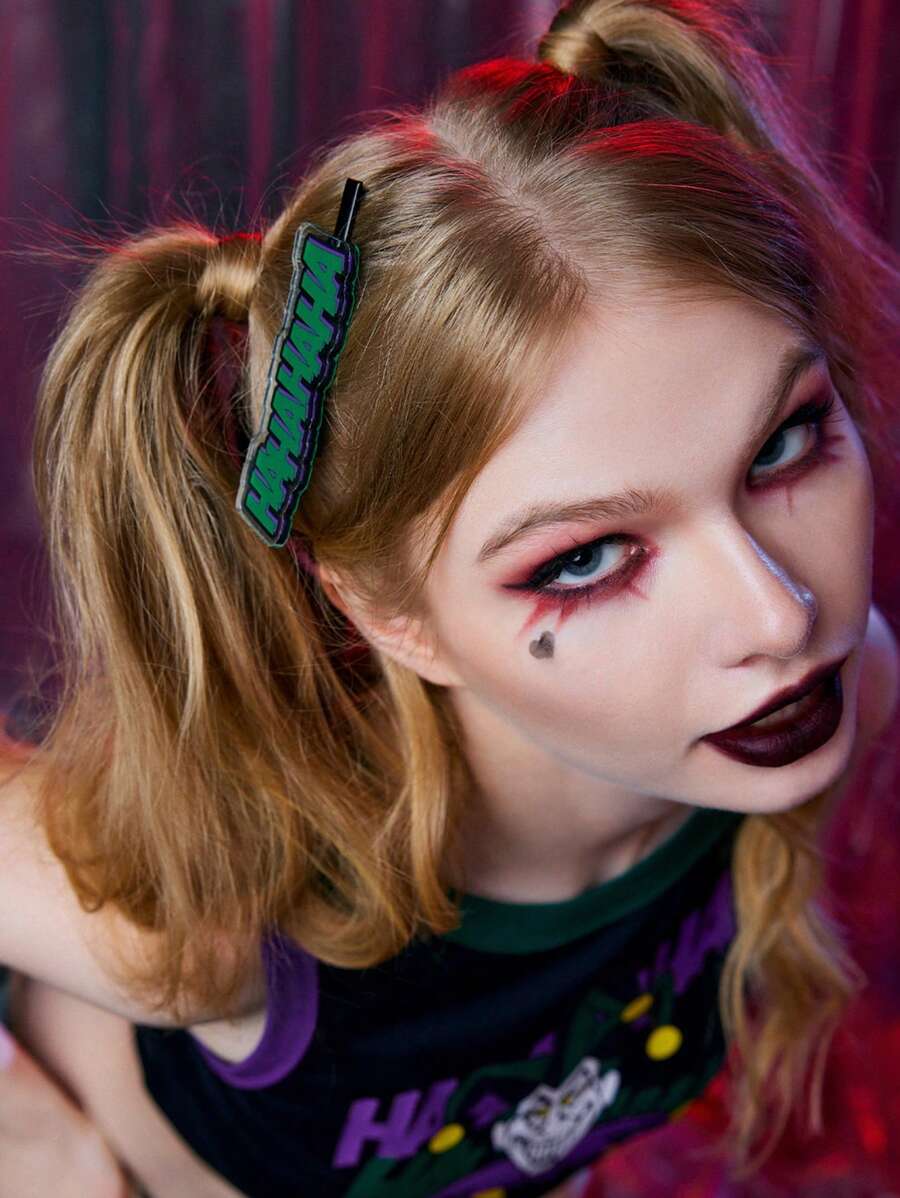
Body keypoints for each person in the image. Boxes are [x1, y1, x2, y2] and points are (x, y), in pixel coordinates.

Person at [1, 0, 899, 1195]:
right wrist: (37, 1145)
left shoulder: (829, 700)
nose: (779, 617)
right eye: (585, 559)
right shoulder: (214, 910)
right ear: (391, 616)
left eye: (784, 444)